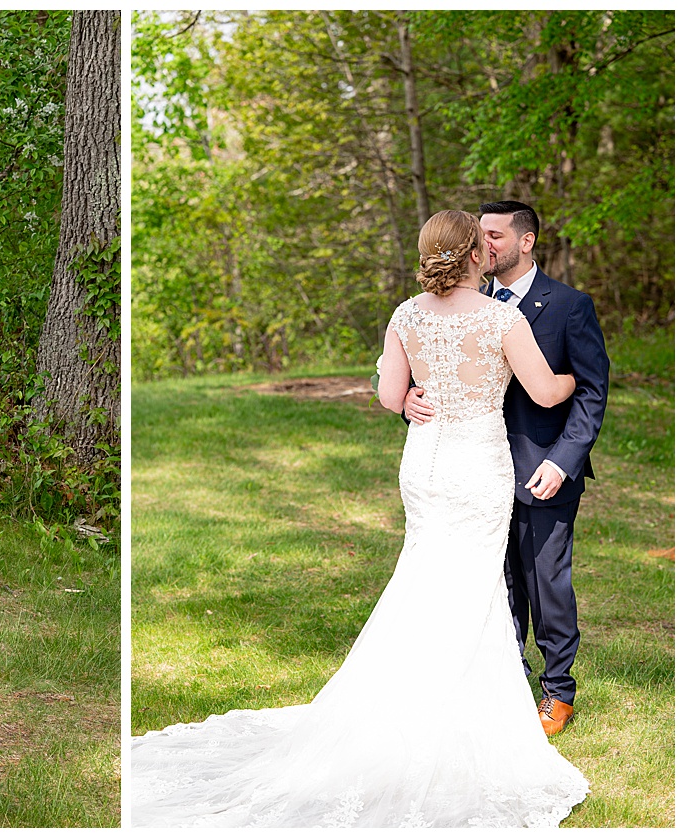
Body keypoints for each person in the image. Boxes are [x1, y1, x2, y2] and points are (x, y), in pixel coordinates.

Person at [127, 210, 589, 827]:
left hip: (425, 464)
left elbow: (387, 395)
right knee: (473, 586)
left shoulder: (407, 315)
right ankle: (461, 717)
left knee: (424, 576)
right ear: (475, 256)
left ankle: (403, 703)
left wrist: (416, 397)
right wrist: (571, 376)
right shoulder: (503, 318)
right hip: (477, 465)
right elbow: (544, 393)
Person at [402, 201, 608, 736]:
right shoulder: (460, 304)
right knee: (494, 581)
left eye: (495, 234)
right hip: (478, 470)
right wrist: (407, 400)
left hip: (544, 471)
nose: (486, 243)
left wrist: (563, 463)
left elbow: (590, 392)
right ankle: (503, 681)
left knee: (546, 582)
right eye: (481, 236)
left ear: (526, 241)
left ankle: (557, 691)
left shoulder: (569, 306)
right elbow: (422, 375)